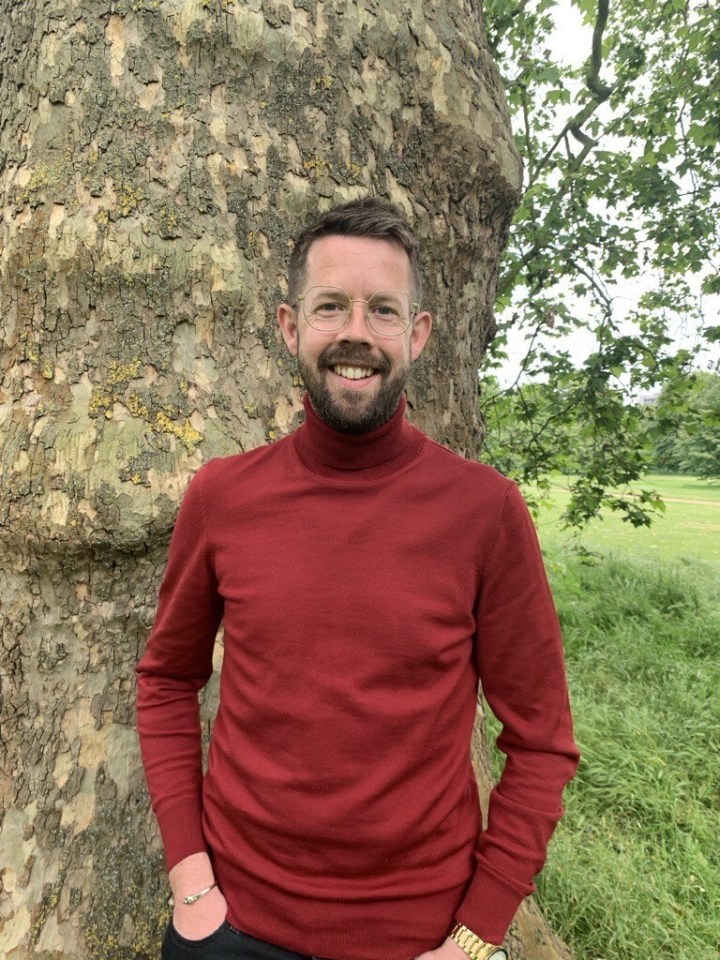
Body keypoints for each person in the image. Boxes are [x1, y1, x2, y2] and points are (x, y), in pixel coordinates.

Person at [136, 197, 579, 960]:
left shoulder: (484, 511)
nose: (355, 333)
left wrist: (478, 934)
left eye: (382, 310)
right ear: (289, 326)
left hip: (421, 939)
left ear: (417, 333)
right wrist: (189, 879)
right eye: (330, 306)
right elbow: (167, 679)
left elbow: (542, 742)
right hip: (230, 928)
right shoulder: (222, 497)